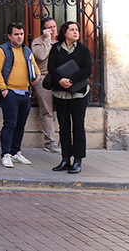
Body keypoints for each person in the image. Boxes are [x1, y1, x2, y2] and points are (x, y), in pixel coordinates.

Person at [48, 21, 93, 174]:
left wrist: (71, 80)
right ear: (64, 32)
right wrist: (60, 80)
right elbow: (51, 68)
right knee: (64, 127)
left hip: (79, 94)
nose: (75, 32)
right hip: (60, 94)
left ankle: (78, 161)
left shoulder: (83, 50)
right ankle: (65, 159)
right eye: (72, 30)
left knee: (78, 127)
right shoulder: (56, 48)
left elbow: (87, 71)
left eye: (77, 30)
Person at [0, 22, 39, 168]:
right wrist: (3, 89)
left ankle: (16, 152)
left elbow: (35, 68)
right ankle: (6, 154)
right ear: (9, 36)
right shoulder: (2, 50)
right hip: (10, 93)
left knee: (20, 125)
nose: (20, 37)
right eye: (16, 34)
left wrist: (36, 78)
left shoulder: (27, 51)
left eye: (22, 34)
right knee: (10, 124)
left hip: (25, 92)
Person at [31, 17, 60, 153]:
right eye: (49, 27)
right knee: (46, 111)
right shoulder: (37, 42)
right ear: (43, 29)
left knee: (63, 111)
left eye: (54, 26)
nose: (53, 30)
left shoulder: (62, 40)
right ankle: (50, 143)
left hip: (60, 78)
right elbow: (41, 56)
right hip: (44, 78)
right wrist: (47, 40)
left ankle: (63, 141)